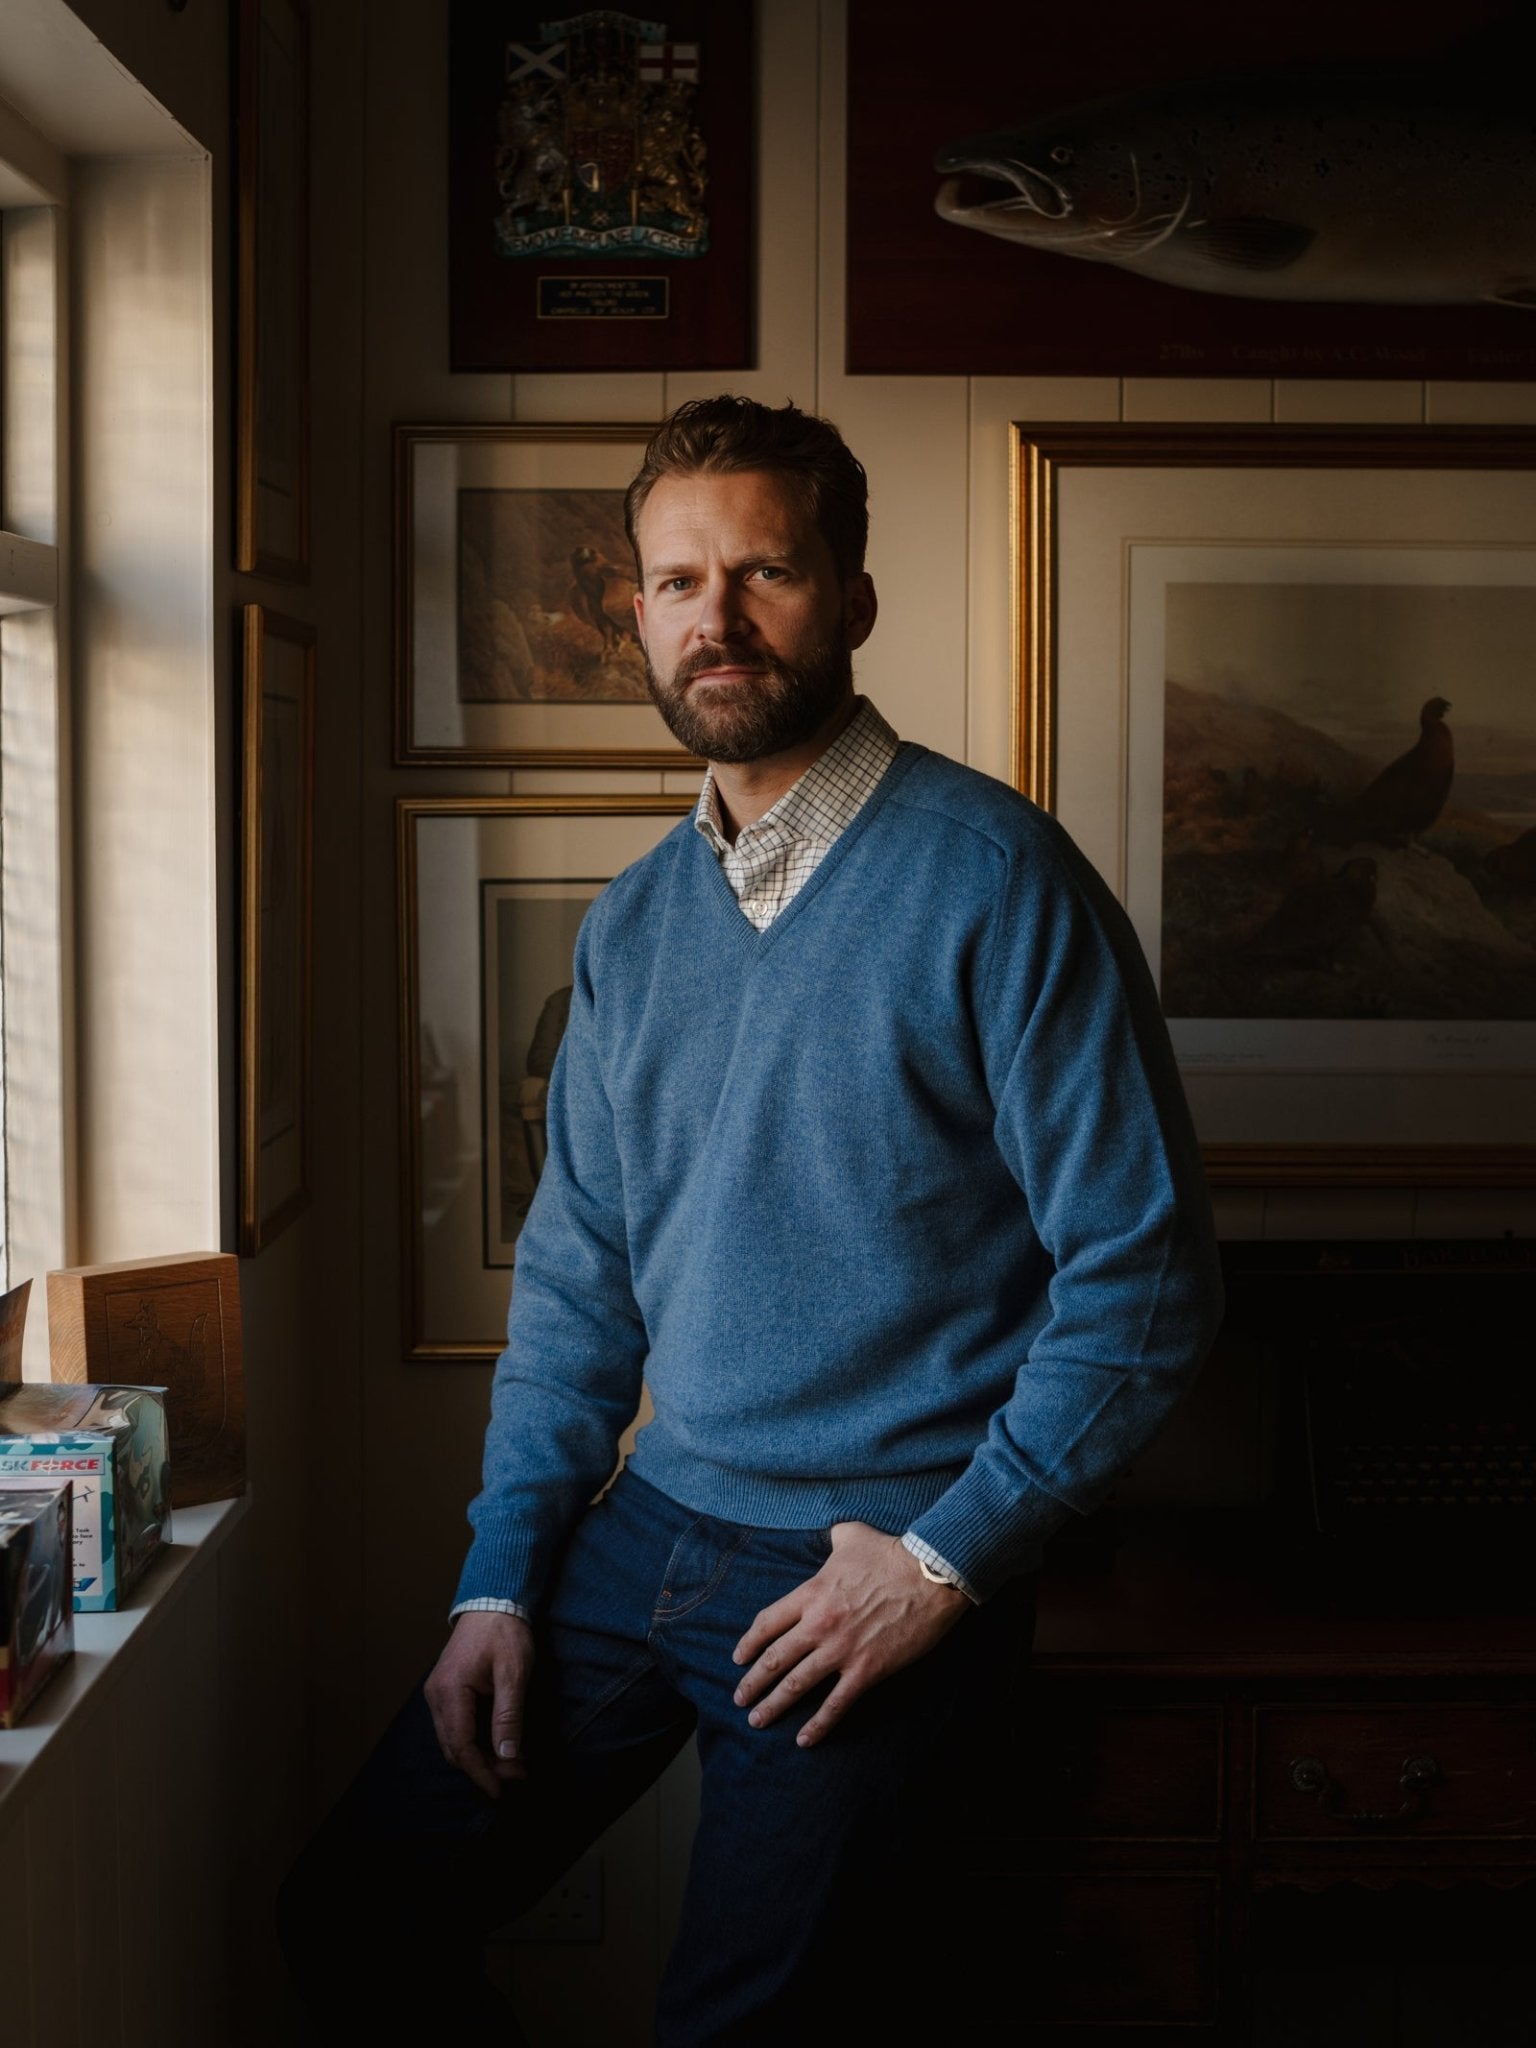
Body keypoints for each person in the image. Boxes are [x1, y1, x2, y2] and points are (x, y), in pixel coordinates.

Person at [278, 397, 1222, 2043]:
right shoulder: (635, 925)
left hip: (874, 1562)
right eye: (676, 582)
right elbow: (576, 1290)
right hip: (646, 1528)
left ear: (852, 598)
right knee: (350, 1918)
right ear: (637, 615)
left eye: (764, 572)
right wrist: (496, 1586)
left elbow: (1145, 1284)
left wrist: (942, 1563)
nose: (715, 617)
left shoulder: (1000, 883)